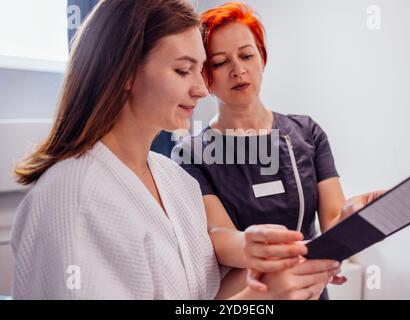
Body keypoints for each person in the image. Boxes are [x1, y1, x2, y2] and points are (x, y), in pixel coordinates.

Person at [11, 0, 340, 300]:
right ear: (125, 71)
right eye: (183, 70)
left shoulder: (175, 182)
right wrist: (264, 300)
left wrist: (273, 281)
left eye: (200, 70)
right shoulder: (73, 197)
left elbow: (202, 301)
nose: (200, 89)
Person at [172, 1, 384, 298]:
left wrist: (352, 217)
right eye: (220, 62)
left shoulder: (307, 133)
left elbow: (333, 221)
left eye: (247, 55)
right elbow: (221, 243)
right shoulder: (192, 153)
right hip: (252, 295)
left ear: (262, 59)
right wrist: (282, 258)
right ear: (205, 75)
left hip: (309, 291)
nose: (238, 70)